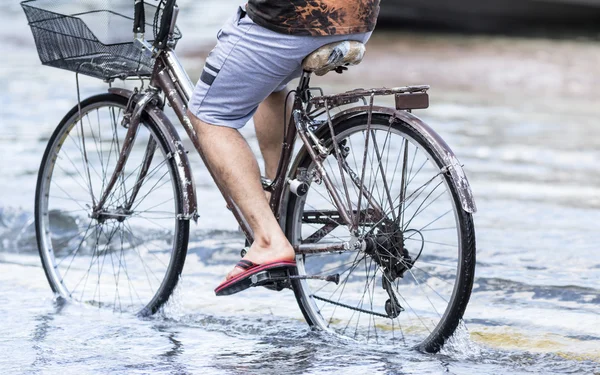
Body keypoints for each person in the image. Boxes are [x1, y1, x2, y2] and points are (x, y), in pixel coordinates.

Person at [186, 1, 381, 295]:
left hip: (292, 22)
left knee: (210, 116)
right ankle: (277, 205)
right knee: (268, 82)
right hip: (358, 17)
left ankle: (268, 240)